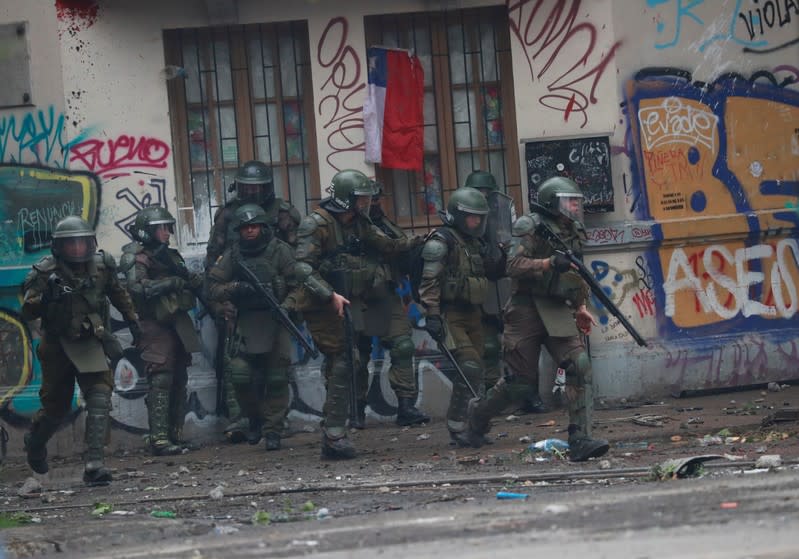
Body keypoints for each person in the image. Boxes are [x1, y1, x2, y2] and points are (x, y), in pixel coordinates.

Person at [465, 176, 609, 462]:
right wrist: (546, 263)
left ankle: (580, 438)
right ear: (550, 203)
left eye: (575, 202)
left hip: (556, 307)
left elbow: (575, 272)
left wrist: (580, 306)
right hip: (525, 309)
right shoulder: (529, 226)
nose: (573, 207)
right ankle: (478, 415)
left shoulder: (573, 230)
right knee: (520, 384)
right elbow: (512, 265)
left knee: (579, 366)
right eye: (568, 201)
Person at [293, 169, 421, 459]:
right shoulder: (316, 225)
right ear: (346, 199)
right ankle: (335, 434)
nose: (366, 204)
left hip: (351, 299)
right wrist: (329, 294)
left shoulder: (359, 223)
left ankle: (334, 433)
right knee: (343, 361)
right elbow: (301, 268)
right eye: (361, 199)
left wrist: (416, 242)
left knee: (347, 361)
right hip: (321, 303)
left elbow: (386, 245)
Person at [22, 216, 140, 484]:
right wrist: (46, 296)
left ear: (91, 243)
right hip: (58, 346)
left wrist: (133, 320)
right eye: (70, 244)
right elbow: (27, 309)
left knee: (100, 396)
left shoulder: (102, 266)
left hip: (91, 340)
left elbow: (119, 293)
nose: (77, 249)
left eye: (82, 243)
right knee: (56, 409)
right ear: (59, 247)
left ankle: (94, 463)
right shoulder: (44, 272)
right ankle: (35, 443)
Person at [204, 160, 301, 444]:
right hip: (240, 307)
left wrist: (288, 300)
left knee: (277, 372)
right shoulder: (227, 217)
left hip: (277, 306)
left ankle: (273, 427)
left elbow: (298, 261)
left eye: (258, 187)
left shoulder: (283, 215)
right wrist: (225, 300)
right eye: (247, 187)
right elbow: (213, 265)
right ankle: (243, 420)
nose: (253, 192)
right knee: (238, 371)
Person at [416, 186, 505, 446]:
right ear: (458, 215)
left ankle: (475, 426)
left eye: (480, 217)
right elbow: (429, 281)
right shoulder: (441, 241)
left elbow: (489, 271)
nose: (476, 222)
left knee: (479, 370)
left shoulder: (474, 242)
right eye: (472, 217)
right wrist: (432, 314)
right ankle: (457, 427)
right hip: (450, 314)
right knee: (468, 366)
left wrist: (501, 254)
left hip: (473, 313)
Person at [120, 206, 203, 456]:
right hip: (152, 324)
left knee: (179, 378)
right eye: (161, 228)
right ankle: (158, 438)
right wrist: (171, 283)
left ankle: (175, 435)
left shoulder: (171, 255)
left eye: (168, 227)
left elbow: (188, 279)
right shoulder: (136, 257)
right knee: (161, 377)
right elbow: (137, 288)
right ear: (148, 232)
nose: (167, 232)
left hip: (176, 321)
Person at [352, 181, 429, 428]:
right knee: (355, 355)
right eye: (367, 201)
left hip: (386, 294)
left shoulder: (384, 224)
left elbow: (400, 250)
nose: (373, 205)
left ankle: (405, 407)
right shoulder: (347, 226)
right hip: (356, 298)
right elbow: (390, 245)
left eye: (376, 200)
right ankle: (355, 410)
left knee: (403, 346)